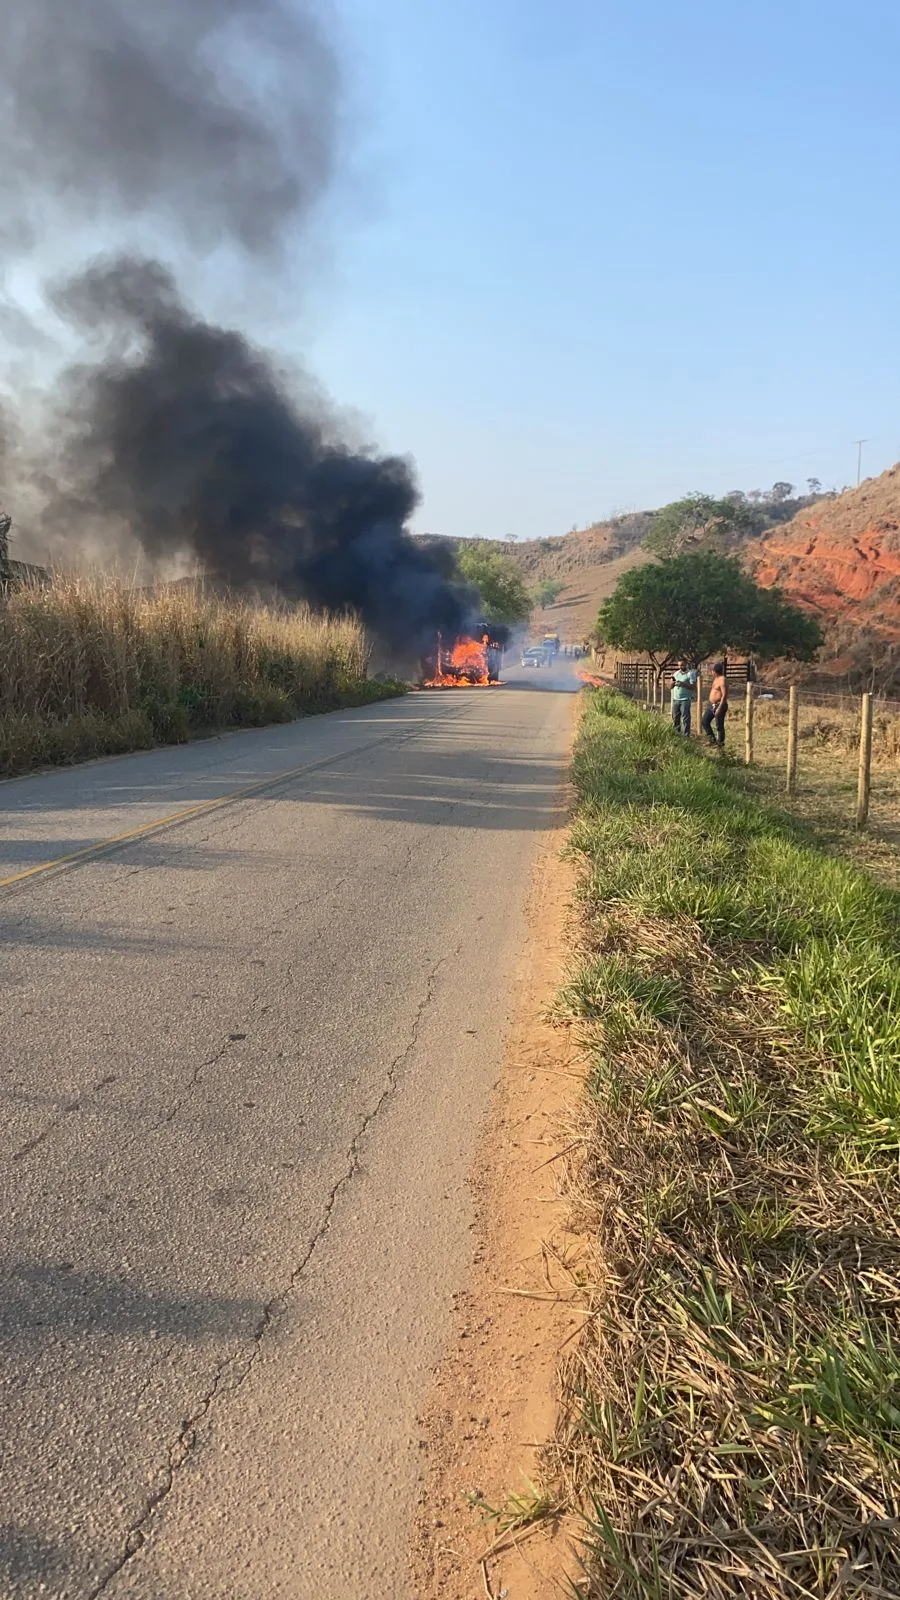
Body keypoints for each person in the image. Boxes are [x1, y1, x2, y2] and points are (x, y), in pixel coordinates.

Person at [702, 661, 728, 746]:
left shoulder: (722, 680)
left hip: (719, 705)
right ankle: (712, 740)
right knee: (705, 721)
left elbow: (724, 695)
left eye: (712, 671)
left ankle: (720, 744)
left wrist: (720, 707)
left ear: (715, 671)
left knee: (719, 726)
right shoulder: (716, 679)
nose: (711, 672)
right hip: (711, 705)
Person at [670, 658, 697, 735]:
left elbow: (693, 686)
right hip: (676, 699)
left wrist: (682, 684)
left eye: (682, 665)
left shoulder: (690, 674)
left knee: (685, 718)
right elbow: (670, 686)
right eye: (679, 665)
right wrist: (672, 683)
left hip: (685, 699)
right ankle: (676, 733)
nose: (680, 667)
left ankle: (686, 735)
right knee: (675, 717)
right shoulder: (676, 674)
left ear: (686, 664)